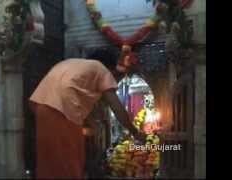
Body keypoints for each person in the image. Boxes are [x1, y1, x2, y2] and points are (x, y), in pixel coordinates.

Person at [29, 49, 145, 179]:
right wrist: (135, 132)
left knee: (49, 162)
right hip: (62, 111)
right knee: (70, 163)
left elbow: (76, 95)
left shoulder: (72, 64)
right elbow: (116, 106)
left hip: (41, 107)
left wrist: (91, 124)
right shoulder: (101, 69)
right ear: (111, 69)